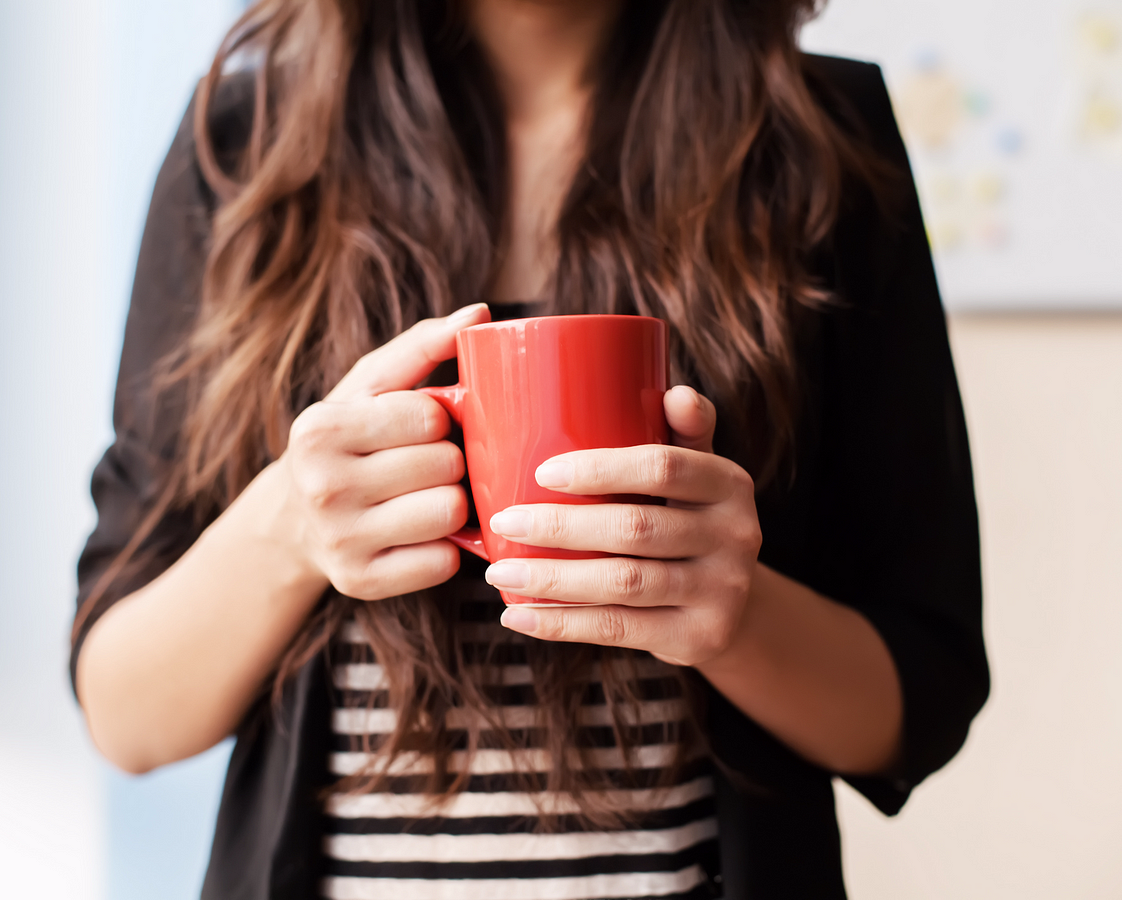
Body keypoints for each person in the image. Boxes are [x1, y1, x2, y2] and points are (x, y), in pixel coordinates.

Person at [71, 1, 989, 898]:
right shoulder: (240, 149)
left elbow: (918, 700)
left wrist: (734, 616)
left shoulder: (818, 138)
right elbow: (126, 717)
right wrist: (289, 528)